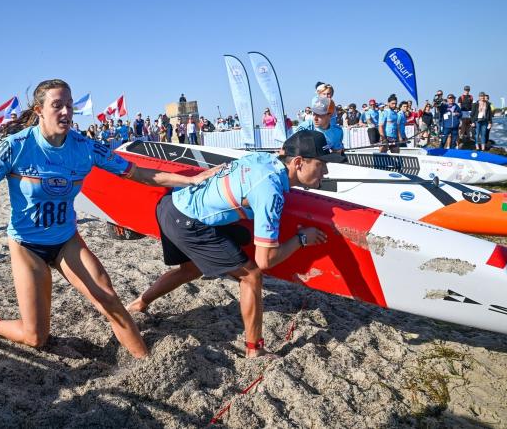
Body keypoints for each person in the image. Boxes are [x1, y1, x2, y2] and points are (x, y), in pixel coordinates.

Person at [0, 79, 220, 357]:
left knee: (109, 299)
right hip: (27, 244)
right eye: (57, 106)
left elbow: (138, 173)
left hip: (66, 240)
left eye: (69, 105)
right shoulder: (16, 147)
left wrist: (191, 179)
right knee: (35, 337)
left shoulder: (84, 147)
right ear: (39, 110)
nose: (65, 112)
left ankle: (145, 362)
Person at [127, 130, 344, 357]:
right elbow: (265, 260)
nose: (326, 170)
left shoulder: (262, 158)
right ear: (298, 162)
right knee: (251, 276)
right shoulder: (270, 191)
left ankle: (139, 304)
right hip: (187, 221)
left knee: (191, 269)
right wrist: (301, 239)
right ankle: (255, 350)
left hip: (171, 204)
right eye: (322, 164)